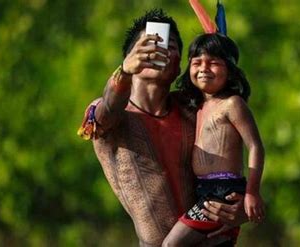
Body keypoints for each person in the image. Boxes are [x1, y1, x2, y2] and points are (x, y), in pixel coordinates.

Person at [77, 9, 246, 246]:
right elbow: (107, 108)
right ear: (130, 56)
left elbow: (234, 158)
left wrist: (242, 204)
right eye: (149, 44)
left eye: (171, 45)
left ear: (179, 66)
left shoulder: (195, 109)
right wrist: (124, 71)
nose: (160, 49)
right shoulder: (110, 118)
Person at [162, 33, 265, 246]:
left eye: (213, 63)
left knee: (171, 244)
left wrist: (251, 192)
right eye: (197, 62)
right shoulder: (197, 107)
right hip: (204, 189)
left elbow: (255, 146)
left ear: (230, 70)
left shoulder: (232, 104)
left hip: (223, 192)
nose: (203, 68)